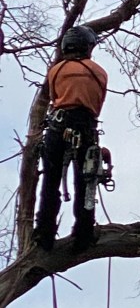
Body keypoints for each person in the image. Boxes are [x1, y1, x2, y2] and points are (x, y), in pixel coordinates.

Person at [33, 26, 108, 250]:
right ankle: (83, 234)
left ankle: (44, 234)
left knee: (50, 181)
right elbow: (98, 101)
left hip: (57, 127)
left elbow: (55, 97)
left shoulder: (55, 71)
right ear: (87, 47)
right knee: (85, 181)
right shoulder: (99, 72)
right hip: (84, 126)